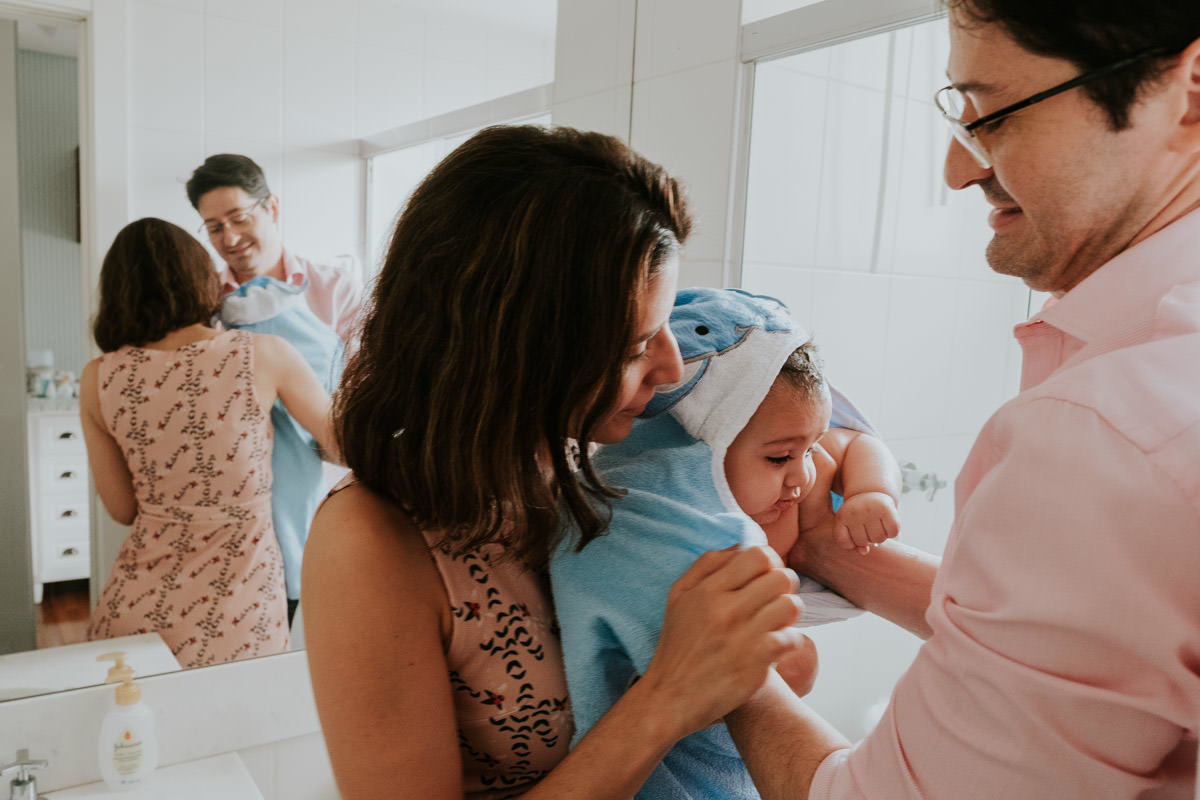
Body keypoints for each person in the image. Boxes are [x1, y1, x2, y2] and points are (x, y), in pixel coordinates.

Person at [723, 2, 1200, 798]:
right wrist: (821, 551)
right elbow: (1107, 642)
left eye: (992, 115)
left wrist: (726, 666)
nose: (959, 167)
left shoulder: (1110, 433)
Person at [301, 125, 810, 799]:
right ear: (520, 352)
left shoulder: (590, 464)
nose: (668, 366)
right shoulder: (370, 542)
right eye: (632, 346)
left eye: (664, 328)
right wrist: (668, 698)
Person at [550, 287, 910, 799]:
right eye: (780, 458)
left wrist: (872, 493)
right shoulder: (653, 533)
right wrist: (794, 655)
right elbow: (778, 671)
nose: (804, 477)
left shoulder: (789, 453)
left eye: (808, 449)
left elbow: (857, 442)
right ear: (694, 451)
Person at [81, 218, 339, 668]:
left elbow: (122, 510)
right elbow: (344, 446)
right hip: (239, 610)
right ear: (202, 276)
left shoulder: (98, 378)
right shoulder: (262, 353)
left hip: (138, 609)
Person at [187, 154, 363, 624]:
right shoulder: (203, 302)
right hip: (235, 501)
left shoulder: (334, 289)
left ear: (273, 208)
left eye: (239, 218)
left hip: (331, 491)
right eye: (214, 227)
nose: (230, 238)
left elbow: (365, 380)